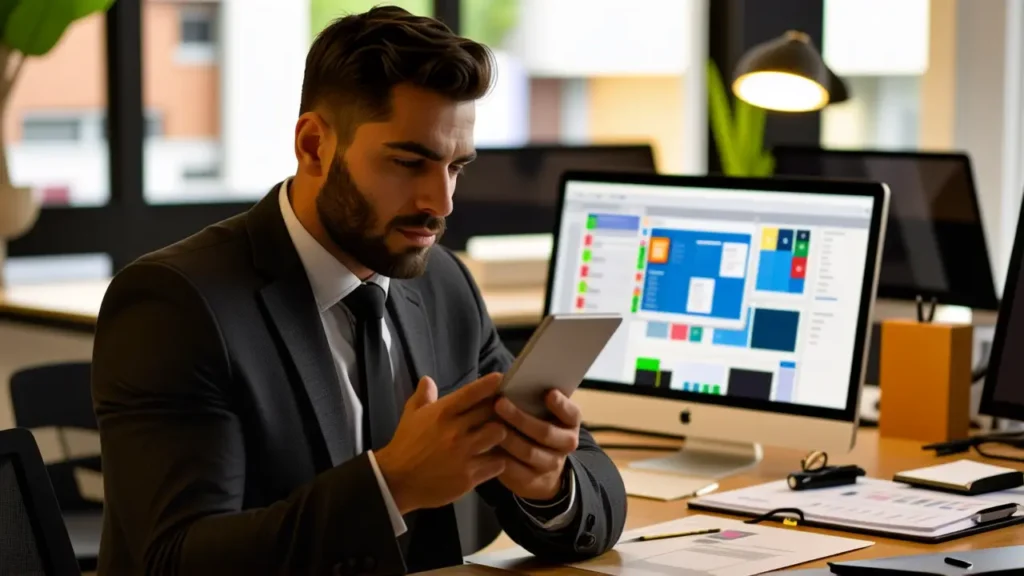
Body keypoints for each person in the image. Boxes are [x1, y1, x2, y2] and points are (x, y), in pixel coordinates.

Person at [91, 6, 626, 575]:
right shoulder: (175, 306)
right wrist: (392, 486)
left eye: (455, 168)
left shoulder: (444, 285)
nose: (440, 203)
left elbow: (597, 493)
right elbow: (176, 561)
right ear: (315, 145)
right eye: (408, 162)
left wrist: (548, 483)